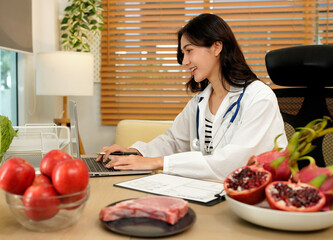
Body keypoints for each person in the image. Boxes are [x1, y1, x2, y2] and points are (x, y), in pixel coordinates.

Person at [97, 13, 288, 180]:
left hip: (254, 198)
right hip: (212, 191)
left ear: (216, 47)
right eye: (183, 53)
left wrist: (155, 162)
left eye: (189, 51)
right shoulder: (200, 101)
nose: (185, 61)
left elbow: (233, 163)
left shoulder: (259, 98)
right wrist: (135, 152)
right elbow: (173, 140)